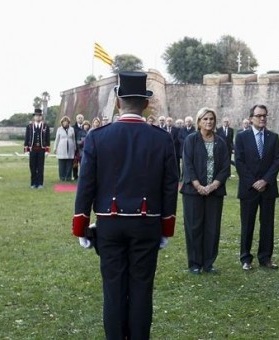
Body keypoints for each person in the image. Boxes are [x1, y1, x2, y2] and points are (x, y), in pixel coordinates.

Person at [72, 71, 179, 339]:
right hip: (147, 223)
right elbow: (170, 187)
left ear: (118, 103)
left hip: (110, 223)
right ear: (145, 104)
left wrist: (81, 227)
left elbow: (86, 185)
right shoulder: (162, 138)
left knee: (113, 289)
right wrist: (166, 228)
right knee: (142, 288)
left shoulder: (98, 137)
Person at [180, 107, 231, 274]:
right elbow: (187, 164)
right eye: (205, 119)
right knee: (194, 227)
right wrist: (198, 186)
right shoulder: (191, 140)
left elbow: (225, 167)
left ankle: (208, 263)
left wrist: (212, 186)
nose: (209, 122)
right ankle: (195, 263)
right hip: (193, 192)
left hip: (214, 192)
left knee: (212, 227)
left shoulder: (221, 142)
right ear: (199, 121)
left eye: (211, 119)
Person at [234, 104, 279, 270]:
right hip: (249, 188)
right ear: (251, 118)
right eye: (259, 115)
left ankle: (265, 257)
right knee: (247, 224)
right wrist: (253, 181)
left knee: (267, 224)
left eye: (265, 116)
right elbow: (239, 161)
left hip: (268, 188)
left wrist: (265, 181)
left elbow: (276, 161)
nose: (262, 118)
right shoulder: (241, 137)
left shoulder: (273, 137)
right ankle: (245, 258)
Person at [24, 108, 50, 189]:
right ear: (34, 117)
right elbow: (27, 138)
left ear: (41, 117)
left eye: (39, 116)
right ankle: (33, 183)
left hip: (41, 150)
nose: (38, 117)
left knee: (40, 167)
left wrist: (47, 150)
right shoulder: (29, 126)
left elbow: (48, 139)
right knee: (32, 166)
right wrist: (26, 149)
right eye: (36, 116)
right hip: (32, 150)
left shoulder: (45, 126)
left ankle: (40, 183)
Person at [53, 116, 77, 181]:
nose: (65, 122)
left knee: (69, 164)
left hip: (70, 148)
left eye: (66, 121)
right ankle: (62, 177)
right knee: (61, 164)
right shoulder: (59, 129)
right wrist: (55, 148)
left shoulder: (72, 129)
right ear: (62, 122)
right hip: (61, 147)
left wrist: (75, 147)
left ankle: (68, 177)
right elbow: (57, 139)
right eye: (64, 121)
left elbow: (74, 139)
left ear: (68, 122)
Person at [71, 114, 85, 180]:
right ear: (76, 119)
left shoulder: (85, 127)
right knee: (75, 163)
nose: (80, 119)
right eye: (79, 118)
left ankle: (82, 176)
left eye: (81, 118)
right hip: (75, 148)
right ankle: (75, 176)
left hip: (83, 149)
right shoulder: (73, 128)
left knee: (83, 163)